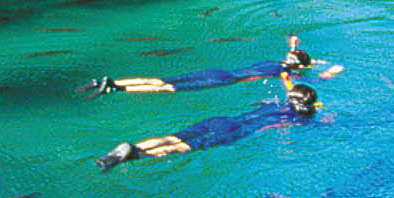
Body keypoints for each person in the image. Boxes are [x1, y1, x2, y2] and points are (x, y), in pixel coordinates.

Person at [96, 75, 322, 171]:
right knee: (179, 148)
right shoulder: (299, 118)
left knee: (170, 139)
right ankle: (135, 156)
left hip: (222, 120)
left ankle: (134, 146)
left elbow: (285, 93)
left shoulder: (274, 103)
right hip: (234, 131)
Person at [81, 34, 341, 97]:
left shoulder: (279, 61)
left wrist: (299, 48)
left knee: (162, 79)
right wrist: (326, 74)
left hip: (218, 72)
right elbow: (290, 88)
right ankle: (116, 89)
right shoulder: (284, 72)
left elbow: (293, 49)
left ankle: (114, 81)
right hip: (221, 81)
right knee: (166, 89)